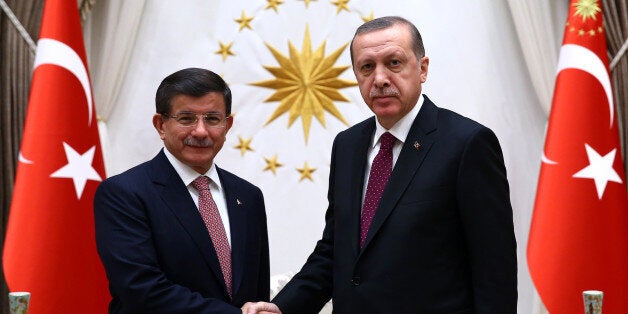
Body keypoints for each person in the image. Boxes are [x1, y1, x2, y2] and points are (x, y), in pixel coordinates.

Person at [244, 16, 517, 314]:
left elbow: (494, 270)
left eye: (394, 63)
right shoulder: (347, 145)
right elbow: (336, 250)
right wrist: (283, 308)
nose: (380, 79)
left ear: (422, 69)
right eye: (367, 67)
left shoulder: (467, 143)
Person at [94, 68, 270, 313]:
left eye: (212, 119)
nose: (200, 131)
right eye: (186, 119)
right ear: (161, 125)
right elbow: (142, 289)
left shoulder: (248, 196)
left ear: (227, 125)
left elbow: (255, 292)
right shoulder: (124, 194)